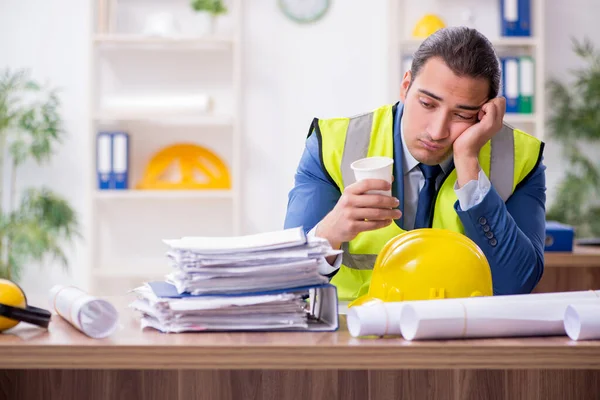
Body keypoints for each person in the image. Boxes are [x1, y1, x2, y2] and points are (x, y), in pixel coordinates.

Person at [283, 26, 546, 302]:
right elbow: (288, 280)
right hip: (354, 333)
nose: (437, 131)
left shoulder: (520, 159)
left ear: (485, 114)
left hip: (461, 334)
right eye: (427, 104)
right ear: (406, 86)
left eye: (462, 114)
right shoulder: (332, 145)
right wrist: (329, 232)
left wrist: (469, 165)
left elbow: (517, 284)